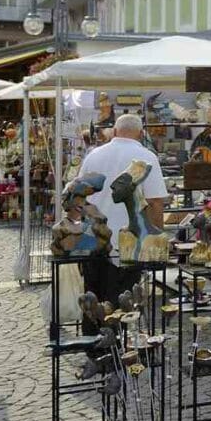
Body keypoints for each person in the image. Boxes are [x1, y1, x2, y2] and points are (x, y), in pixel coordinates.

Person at [75, 114, 168, 304]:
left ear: (115, 132)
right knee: (122, 299)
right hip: (129, 243)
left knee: (92, 296)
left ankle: (92, 332)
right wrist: (159, 237)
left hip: (92, 239)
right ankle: (117, 333)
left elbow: (78, 195)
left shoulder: (93, 155)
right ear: (141, 134)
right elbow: (156, 202)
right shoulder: (147, 157)